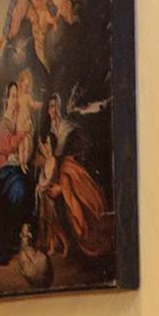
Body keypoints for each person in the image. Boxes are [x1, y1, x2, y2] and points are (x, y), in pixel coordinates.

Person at [35, 92, 109, 257]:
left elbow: (79, 152)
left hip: (66, 170)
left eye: (55, 106)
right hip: (52, 171)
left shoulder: (68, 128)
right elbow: (43, 156)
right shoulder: (46, 131)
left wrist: (61, 185)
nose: (53, 110)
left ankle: (79, 233)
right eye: (50, 107)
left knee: (69, 175)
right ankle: (54, 241)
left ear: (59, 108)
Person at [0, 81, 34, 265]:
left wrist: (26, 137)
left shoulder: (19, 118)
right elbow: (3, 147)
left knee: (26, 186)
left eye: (17, 96)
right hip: (4, 168)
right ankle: (8, 244)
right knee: (17, 189)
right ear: (6, 99)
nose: (15, 99)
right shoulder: (3, 121)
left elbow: (26, 142)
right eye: (12, 95)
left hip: (17, 166)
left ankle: (22, 238)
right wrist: (21, 135)